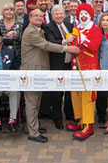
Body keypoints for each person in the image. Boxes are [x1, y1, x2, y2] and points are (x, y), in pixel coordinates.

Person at [21, 8, 79, 143]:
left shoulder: (37, 30)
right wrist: (66, 48)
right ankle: (33, 133)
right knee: (31, 102)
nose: (39, 18)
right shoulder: (30, 32)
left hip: (39, 70)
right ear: (29, 18)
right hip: (32, 71)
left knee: (36, 101)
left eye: (41, 16)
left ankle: (31, 127)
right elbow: (45, 45)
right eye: (35, 16)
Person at [65, 3, 102, 140]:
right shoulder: (77, 28)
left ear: (91, 15)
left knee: (88, 97)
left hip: (89, 69)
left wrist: (82, 38)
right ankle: (81, 121)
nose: (83, 16)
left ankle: (89, 125)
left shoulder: (94, 29)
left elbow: (94, 47)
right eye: (81, 14)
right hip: (76, 68)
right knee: (77, 95)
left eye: (86, 14)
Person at [42, 5, 74, 130]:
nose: (59, 16)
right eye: (56, 14)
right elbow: (50, 43)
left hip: (69, 64)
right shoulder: (49, 27)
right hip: (57, 64)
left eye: (61, 14)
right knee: (57, 93)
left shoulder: (69, 25)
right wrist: (65, 42)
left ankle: (69, 114)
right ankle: (57, 118)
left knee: (70, 91)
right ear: (52, 15)